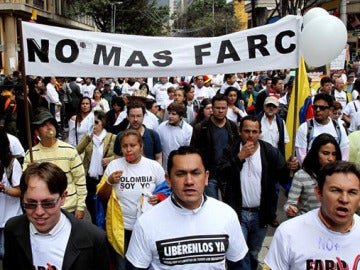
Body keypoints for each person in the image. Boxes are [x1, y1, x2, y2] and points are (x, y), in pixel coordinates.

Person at [126, 146, 248, 269]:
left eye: (195, 173)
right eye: (180, 174)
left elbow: (239, 264)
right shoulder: (146, 223)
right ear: (168, 180)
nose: (189, 181)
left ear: (206, 177)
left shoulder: (226, 215)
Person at [217, 115, 298, 270]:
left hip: (260, 215)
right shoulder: (231, 150)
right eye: (247, 131)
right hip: (238, 214)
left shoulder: (269, 152)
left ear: (260, 133)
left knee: (254, 253)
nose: (250, 135)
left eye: (255, 131)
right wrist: (239, 158)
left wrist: (290, 167)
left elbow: (283, 177)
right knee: (239, 255)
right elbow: (221, 173)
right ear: (240, 131)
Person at [3, 162, 110, 269]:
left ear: (63, 198)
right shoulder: (13, 229)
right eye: (31, 204)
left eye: (48, 203)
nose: (39, 212)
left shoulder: (94, 239)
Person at [264, 161, 360, 269]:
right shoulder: (288, 233)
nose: (344, 199)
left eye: (352, 192)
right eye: (336, 190)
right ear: (319, 193)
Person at [96, 129, 167, 269]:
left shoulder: (154, 167)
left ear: (141, 146)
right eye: (124, 146)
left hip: (147, 230)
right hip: (121, 231)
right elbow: (101, 197)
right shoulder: (113, 166)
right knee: (121, 266)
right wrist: (109, 182)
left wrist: (159, 197)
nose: (128, 150)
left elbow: (167, 192)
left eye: (132, 145)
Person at [23, 110, 87, 219]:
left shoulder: (70, 150)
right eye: (44, 125)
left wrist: (80, 206)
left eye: (51, 124)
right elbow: (25, 185)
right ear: (37, 132)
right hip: (45, 211)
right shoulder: (31, 154)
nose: (49, 127)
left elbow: (80, 181)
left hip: (69, 208)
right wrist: (29, 173)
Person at [190, 94, 239, 199]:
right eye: (217, 108)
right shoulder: (200, 128)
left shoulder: (233, 127)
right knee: (211, 205)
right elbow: (194, 152)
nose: (220, 111)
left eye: (223, 108)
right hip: (209, 174)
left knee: (229, 205)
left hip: (228, 173)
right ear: (212, 108)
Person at [284, 133, 342, 217]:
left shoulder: (340, 176)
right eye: (325, 153)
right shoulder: (301, 176)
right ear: (316, 153)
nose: (331, 158)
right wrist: (290, 209)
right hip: (308, 223)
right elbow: (290, 203)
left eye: (334, 154)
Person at [76, 110, 116, 224]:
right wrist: (87, 139)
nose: (94, 125)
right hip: (89, 178)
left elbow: (121, 156)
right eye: (91, 122)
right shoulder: (87, 137)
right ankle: (95, 225)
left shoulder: (112, 138)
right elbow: (76, 151)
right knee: (90, 204)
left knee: (104, 206)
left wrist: (110, 159)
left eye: (96, 122)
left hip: (104, 179)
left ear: (102, 123)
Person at [295, 93, 349, 164]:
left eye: (322, 108)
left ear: (330, 110)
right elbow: (301, 156)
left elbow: (344, 155)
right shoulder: (304, 128)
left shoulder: (339, 128)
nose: (317, 110)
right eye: (315, 107)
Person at [0, 128, 22, 258]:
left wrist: (3, 188)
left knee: (5, 254)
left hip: (9, 218)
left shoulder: (12, 164)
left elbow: (19, 191)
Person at [157, 102, 193, 170]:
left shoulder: (188, 130)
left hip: (181, 167)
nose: (170, 116)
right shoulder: (161, 127)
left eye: (173, 114)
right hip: (164, 169)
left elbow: (188, 152)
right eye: (169, 113)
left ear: (181, 116)